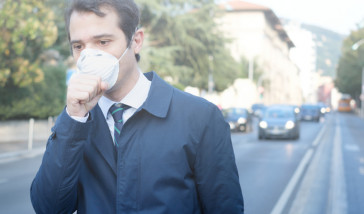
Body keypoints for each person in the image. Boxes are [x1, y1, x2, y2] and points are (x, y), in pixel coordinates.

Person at [30, 0, 244, 213]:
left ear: (136, 41)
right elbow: (49, 208)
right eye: (78, 46)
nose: (89, 55)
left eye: (103, 42)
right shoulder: (75, 122)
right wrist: (73, 120)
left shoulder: (200, 117)